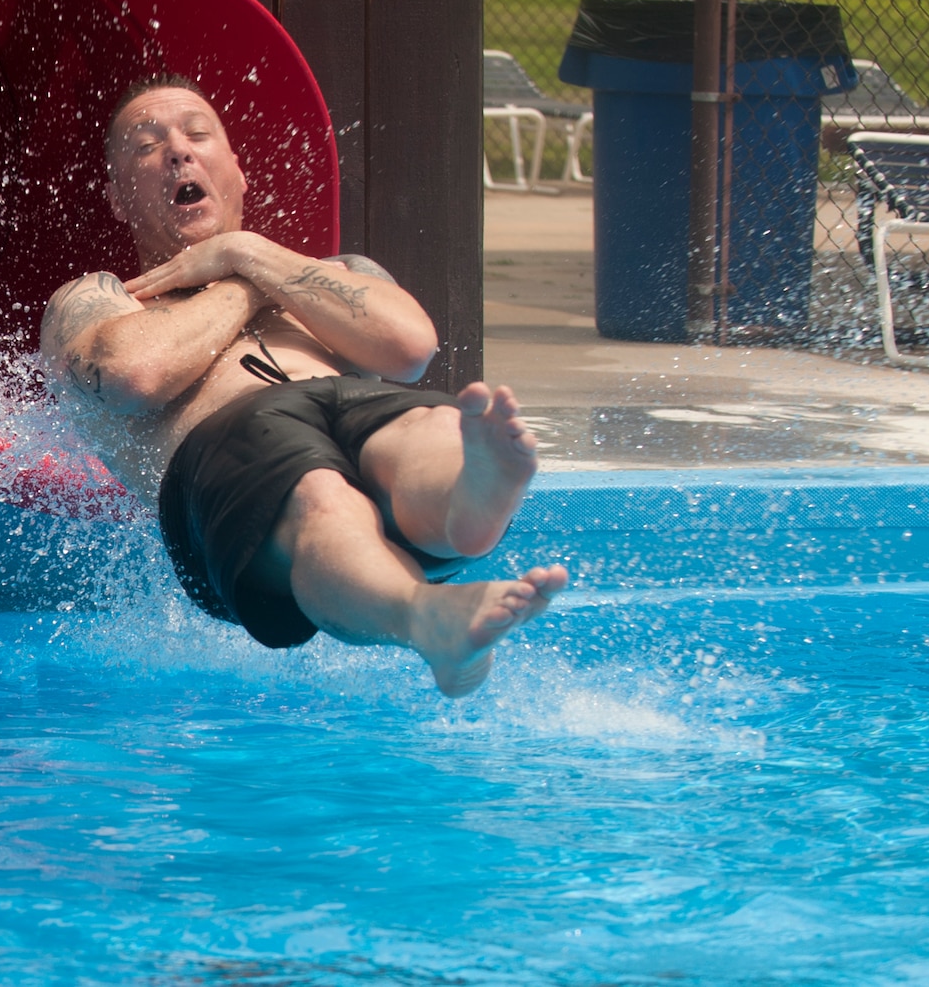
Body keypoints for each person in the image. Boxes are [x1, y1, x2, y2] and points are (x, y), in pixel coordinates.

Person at [40, 76, 567, 697]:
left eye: (198, 134)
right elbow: (134, 374)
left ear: (238, 174)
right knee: (319, 494)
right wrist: (246, 273)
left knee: (426, 425)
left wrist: (245, 252)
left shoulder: (339, 273)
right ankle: (426, 613)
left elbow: (409, 348)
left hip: (358, 410)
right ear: (119, 200)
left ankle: (463, 506)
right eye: (146, 146)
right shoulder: (99, 298)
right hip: (227, 447)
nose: (179, 152)